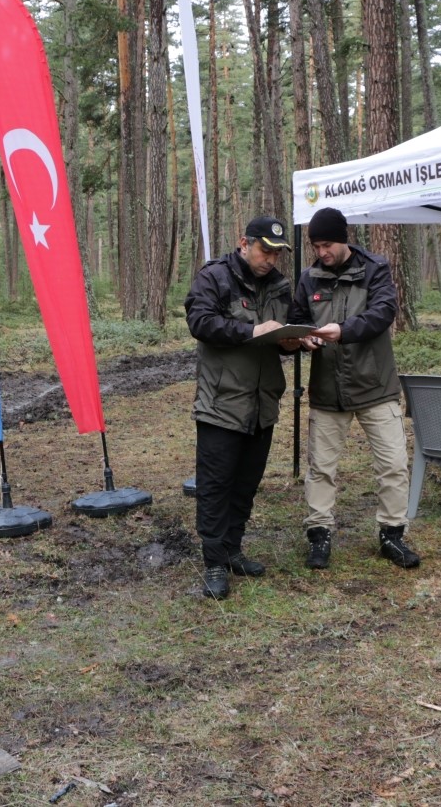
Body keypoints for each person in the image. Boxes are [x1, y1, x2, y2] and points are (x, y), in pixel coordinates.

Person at [287, 207, 419, 571]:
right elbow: (297, 319)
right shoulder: (309, 278)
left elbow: (383, 312)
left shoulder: (375, 269)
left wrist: (343, 331)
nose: (322, 252)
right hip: (327, 389)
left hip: (375, 385)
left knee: (393, 464)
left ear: (343, 239)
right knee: (320, 468)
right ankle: (319, 535)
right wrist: (303, 339)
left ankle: (392, 534)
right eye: (316, 246)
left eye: (327, 245)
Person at [185, 216, 299, 600]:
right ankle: (214, 563)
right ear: (244, 242)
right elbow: (201, 322)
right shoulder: (215, 277)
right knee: (215, 486)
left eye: (277, 254)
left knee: (246, 484)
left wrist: (292, 342)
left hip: (263, 403)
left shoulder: (280, 286)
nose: (271, 259)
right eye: (265, 250)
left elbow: (284, 330)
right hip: (222, 403)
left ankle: (233, 550)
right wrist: (251, 331)